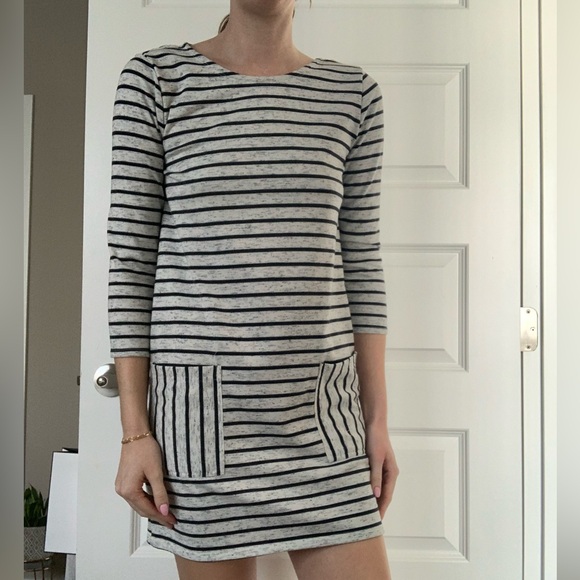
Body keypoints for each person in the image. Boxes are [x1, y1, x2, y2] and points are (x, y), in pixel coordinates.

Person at [107, 1, 399, 578]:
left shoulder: (353, 95)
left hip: (323, 421)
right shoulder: (156, 80)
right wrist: (134, 432)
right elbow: (130, 264)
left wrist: (377, 421)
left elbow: (362, 261)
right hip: (200, 424)